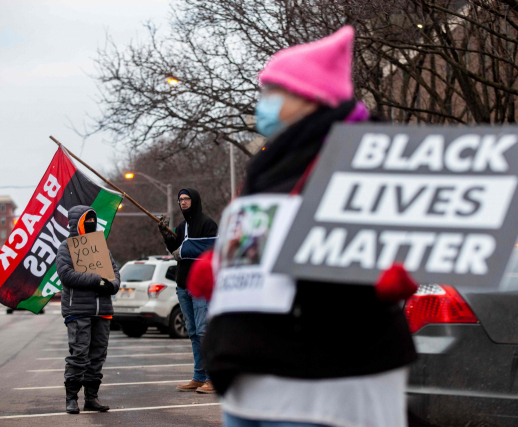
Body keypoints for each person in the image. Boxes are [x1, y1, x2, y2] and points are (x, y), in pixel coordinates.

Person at [197, 26, 417, 427]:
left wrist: (377, 278)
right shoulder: (271, 163)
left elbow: (383, 240)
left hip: (325, 381)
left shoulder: (365, 156)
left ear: (306, 96)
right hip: (252, 376)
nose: (261, 102)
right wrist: (223, 264)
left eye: (271, 92)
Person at [56, 205, 120, 414]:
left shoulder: (102, 247)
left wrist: (112, 284)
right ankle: (71, 398)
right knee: (79, 355)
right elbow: (66, 275)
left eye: (93, 219)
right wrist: (97, 280)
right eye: (87, 220)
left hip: (102, 310)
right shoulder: (66, 247)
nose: (91, 223)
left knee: (97, 356)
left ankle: (91, 398)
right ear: (77, 223)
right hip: (79, 310)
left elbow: (114, 273)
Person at [159, 188, 218, 394]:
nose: (182, 202)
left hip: (200, 286)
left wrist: (183, 250)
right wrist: (167, 235)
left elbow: (212, 249)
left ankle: (212, 379)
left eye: (186, 199)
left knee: (203, 331)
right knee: (193, 333)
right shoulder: (182, 226)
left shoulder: (207, 224)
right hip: (183, 286)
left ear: (195, 200)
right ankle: (199, 377)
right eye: (180, 199)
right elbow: (175, 250)